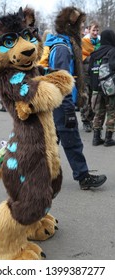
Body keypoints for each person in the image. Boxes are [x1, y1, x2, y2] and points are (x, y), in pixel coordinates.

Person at [44, 6, 107, 190]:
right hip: (62, 104)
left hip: (59, 104)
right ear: (71, 26)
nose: (83, 30)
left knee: (51, 143)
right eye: (80, 26)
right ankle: (83, 176)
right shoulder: (63, 48)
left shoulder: (63, 44)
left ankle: (41, 176)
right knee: (72, 142)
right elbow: (59, 80)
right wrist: (68, 108)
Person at [89, 29, 115, 147]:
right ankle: (108, 138)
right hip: (109, 88)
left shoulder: (95, 53)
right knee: (112, 112)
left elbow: (89, 71)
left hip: (96, 88)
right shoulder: (112, 51)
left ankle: (96, 138)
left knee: (98, 113)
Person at [81, 21, 101, 132]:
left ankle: (92, 118)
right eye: (93, 30)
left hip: (96, 73)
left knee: (95, 98)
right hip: (85, 74)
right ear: (89, 29)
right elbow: (81, 57)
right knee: (86, 97)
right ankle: (85, 121)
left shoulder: (100, 42)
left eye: (97, 30)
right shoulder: (84, 41)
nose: (95, 32)